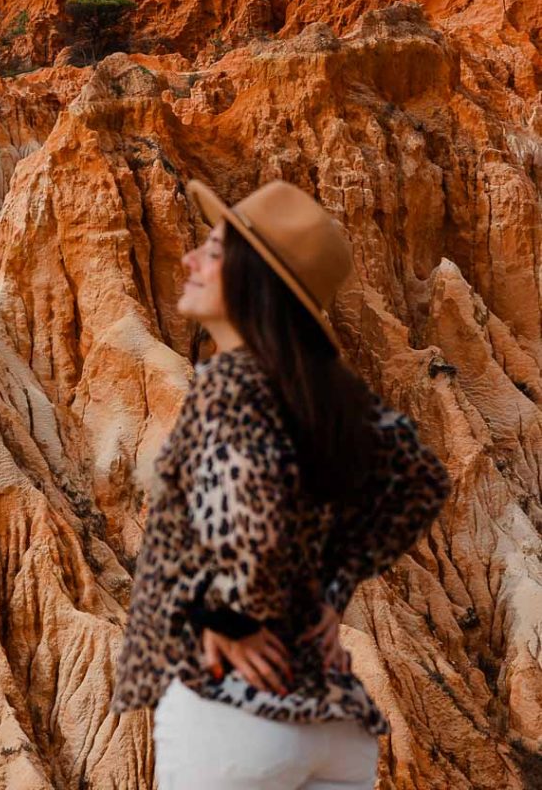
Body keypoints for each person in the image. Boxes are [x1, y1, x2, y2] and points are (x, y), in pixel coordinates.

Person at [109, 178, 452, 789]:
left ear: (254, 281)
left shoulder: (230, 383)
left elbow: (250, 503)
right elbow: (421, 481)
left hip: (236, 711)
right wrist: (331, 591)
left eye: (214, 251)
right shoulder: (324, 395)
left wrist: (225, 617)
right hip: (333, 719)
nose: (190, 260)